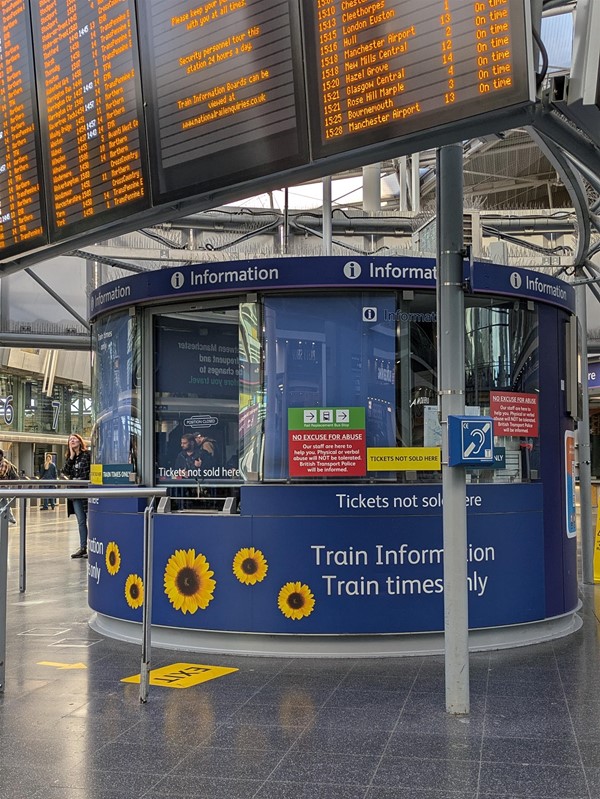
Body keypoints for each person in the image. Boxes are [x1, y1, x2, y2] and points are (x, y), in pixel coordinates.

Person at [62, 434, 91, 559]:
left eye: (74, 439)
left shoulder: (87, 455)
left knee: (91, 520)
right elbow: (65, 471)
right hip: (76, 494)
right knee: (81, 521)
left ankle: (93, 547)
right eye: (70, 440)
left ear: (80, 441)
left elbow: (89, 472)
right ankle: (83, 547)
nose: (72, 441)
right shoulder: (71, 458)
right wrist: (72, 456)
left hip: (86, 493)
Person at [0, 449, 18, 523]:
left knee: (4, 501)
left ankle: (10, 517)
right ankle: (11, 517)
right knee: (4, 501)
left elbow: (1, 473)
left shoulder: (4, 463)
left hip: (3, 486)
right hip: (3, 486)